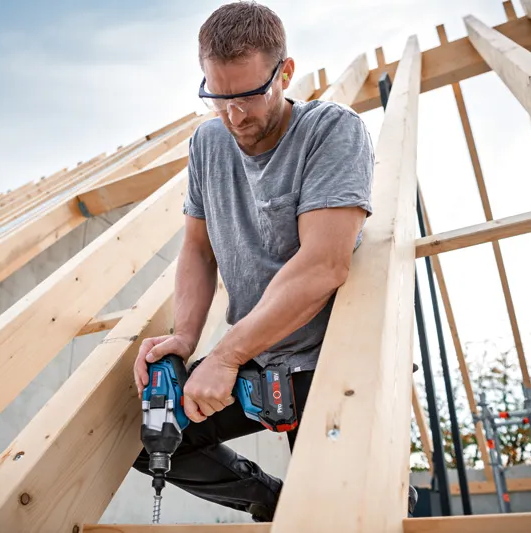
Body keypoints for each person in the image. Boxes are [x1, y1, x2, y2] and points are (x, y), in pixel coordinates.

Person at [132, 1, 414, 522]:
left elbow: (323, 266)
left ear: (284, 72)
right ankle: (278, 504)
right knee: (155, 440)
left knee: (349, 514)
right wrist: (187, 341)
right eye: (219, 97)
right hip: (258, 361)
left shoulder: (331, 131)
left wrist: (224, 357)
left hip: (331, 363)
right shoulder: (208, 143)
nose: (234, 114)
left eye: (247, 95)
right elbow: (197, 248)